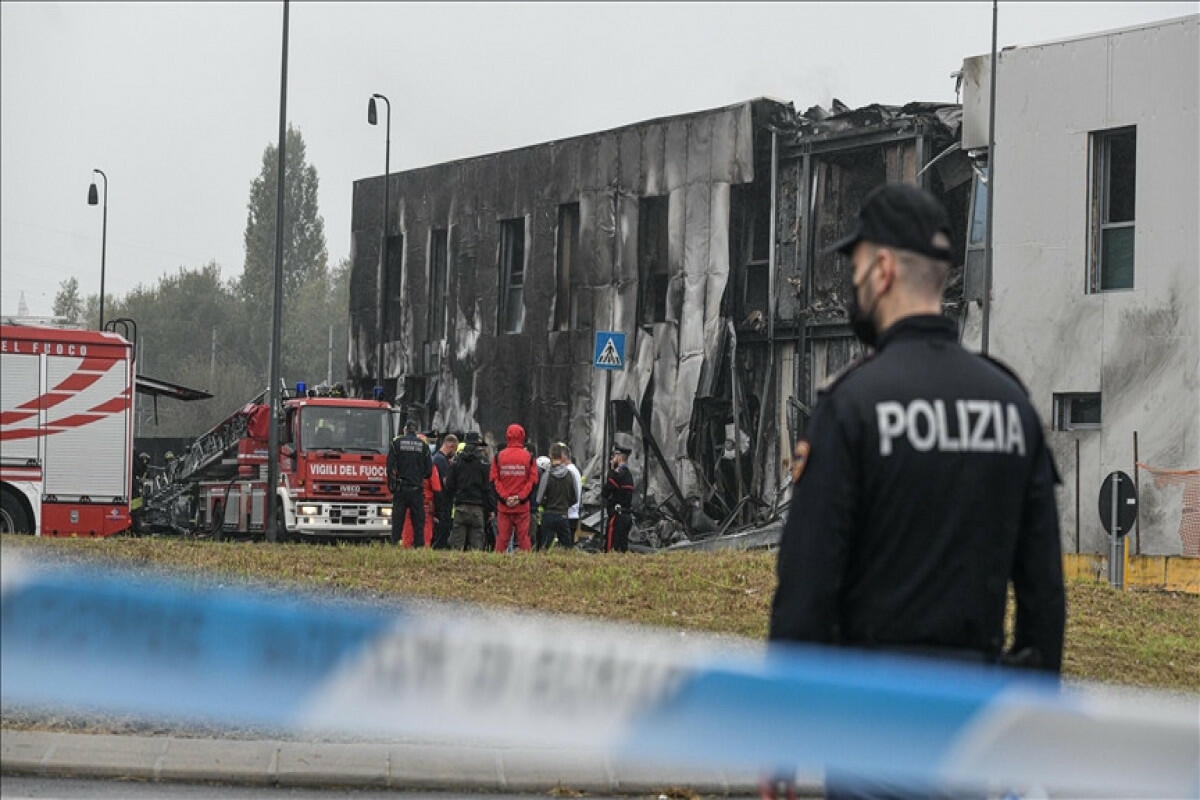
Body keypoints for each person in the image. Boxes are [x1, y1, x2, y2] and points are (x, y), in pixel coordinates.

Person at [767, 184, 1065, 798]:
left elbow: (806, 588)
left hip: (872, 728)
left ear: (880, 270)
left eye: (854, 270)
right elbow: (1044, 598)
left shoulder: (851, 405)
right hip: (978, 730)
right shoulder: (1012, 405)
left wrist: (779, 736)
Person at [489, 423, 539, 552]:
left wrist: (505, 498)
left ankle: (497, 565)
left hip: (504, 507)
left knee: (502, 539)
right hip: (522, 507)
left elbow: (494, 480)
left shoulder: (498, 457)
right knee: (524, 538)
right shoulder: (529, 457)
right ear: (523, 436)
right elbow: (532, 481)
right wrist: (520, 497)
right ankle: (527, 566)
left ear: (507, 436)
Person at [386, 419, 433, 546]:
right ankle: (418, 547)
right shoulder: (423, 446)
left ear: (405, 430)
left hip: (401, 489)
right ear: (416, 431)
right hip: (417, 490)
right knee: (418, 523)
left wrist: (392, 487)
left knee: (398, 522)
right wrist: (418, 476)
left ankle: (395, 544)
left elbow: (389, 467)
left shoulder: (397, 443)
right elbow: (429, 471)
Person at [445, 432, 493, 551]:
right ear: (478, 444)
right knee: (476, 549)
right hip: (477, 508)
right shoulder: (484, 462)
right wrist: (491, 509)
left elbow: (449, 485)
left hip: (460, 507)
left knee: (457, 547)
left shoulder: (456, 461)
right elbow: (487, 488)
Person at [535, 443, 581, 551]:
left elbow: (539, 498)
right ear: (562, 456)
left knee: (546, 549)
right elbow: (575, 498)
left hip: (549, 515)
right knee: (567, 549)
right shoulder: (570, 474)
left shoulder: (547, 475)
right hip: (564, 515)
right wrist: (565, 504)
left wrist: (546, 504)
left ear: (550, 456)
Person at [601, 445, 635, 553]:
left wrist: (611, 470)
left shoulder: (618, 473)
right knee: (622, 548)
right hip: (626, 514)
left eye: (614, 456)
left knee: (611, 548)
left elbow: (606, 491)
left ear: (619, 457)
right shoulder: (628, 474)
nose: (612, 459)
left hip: (617, 516)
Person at [430, 434, 458, 549]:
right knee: (441, 536)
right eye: (455, 449)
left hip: (439, 503)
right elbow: (446, 483)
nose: (454, 453)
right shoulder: (441, 460)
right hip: (443, 504)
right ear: (450, 445)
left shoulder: (437, 458)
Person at [561, 443, 583, 545]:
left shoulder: (568, 471)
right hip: (573, 514)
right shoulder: (575, 470)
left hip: (568, 514)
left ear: (564, 456)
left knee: (565, 547)